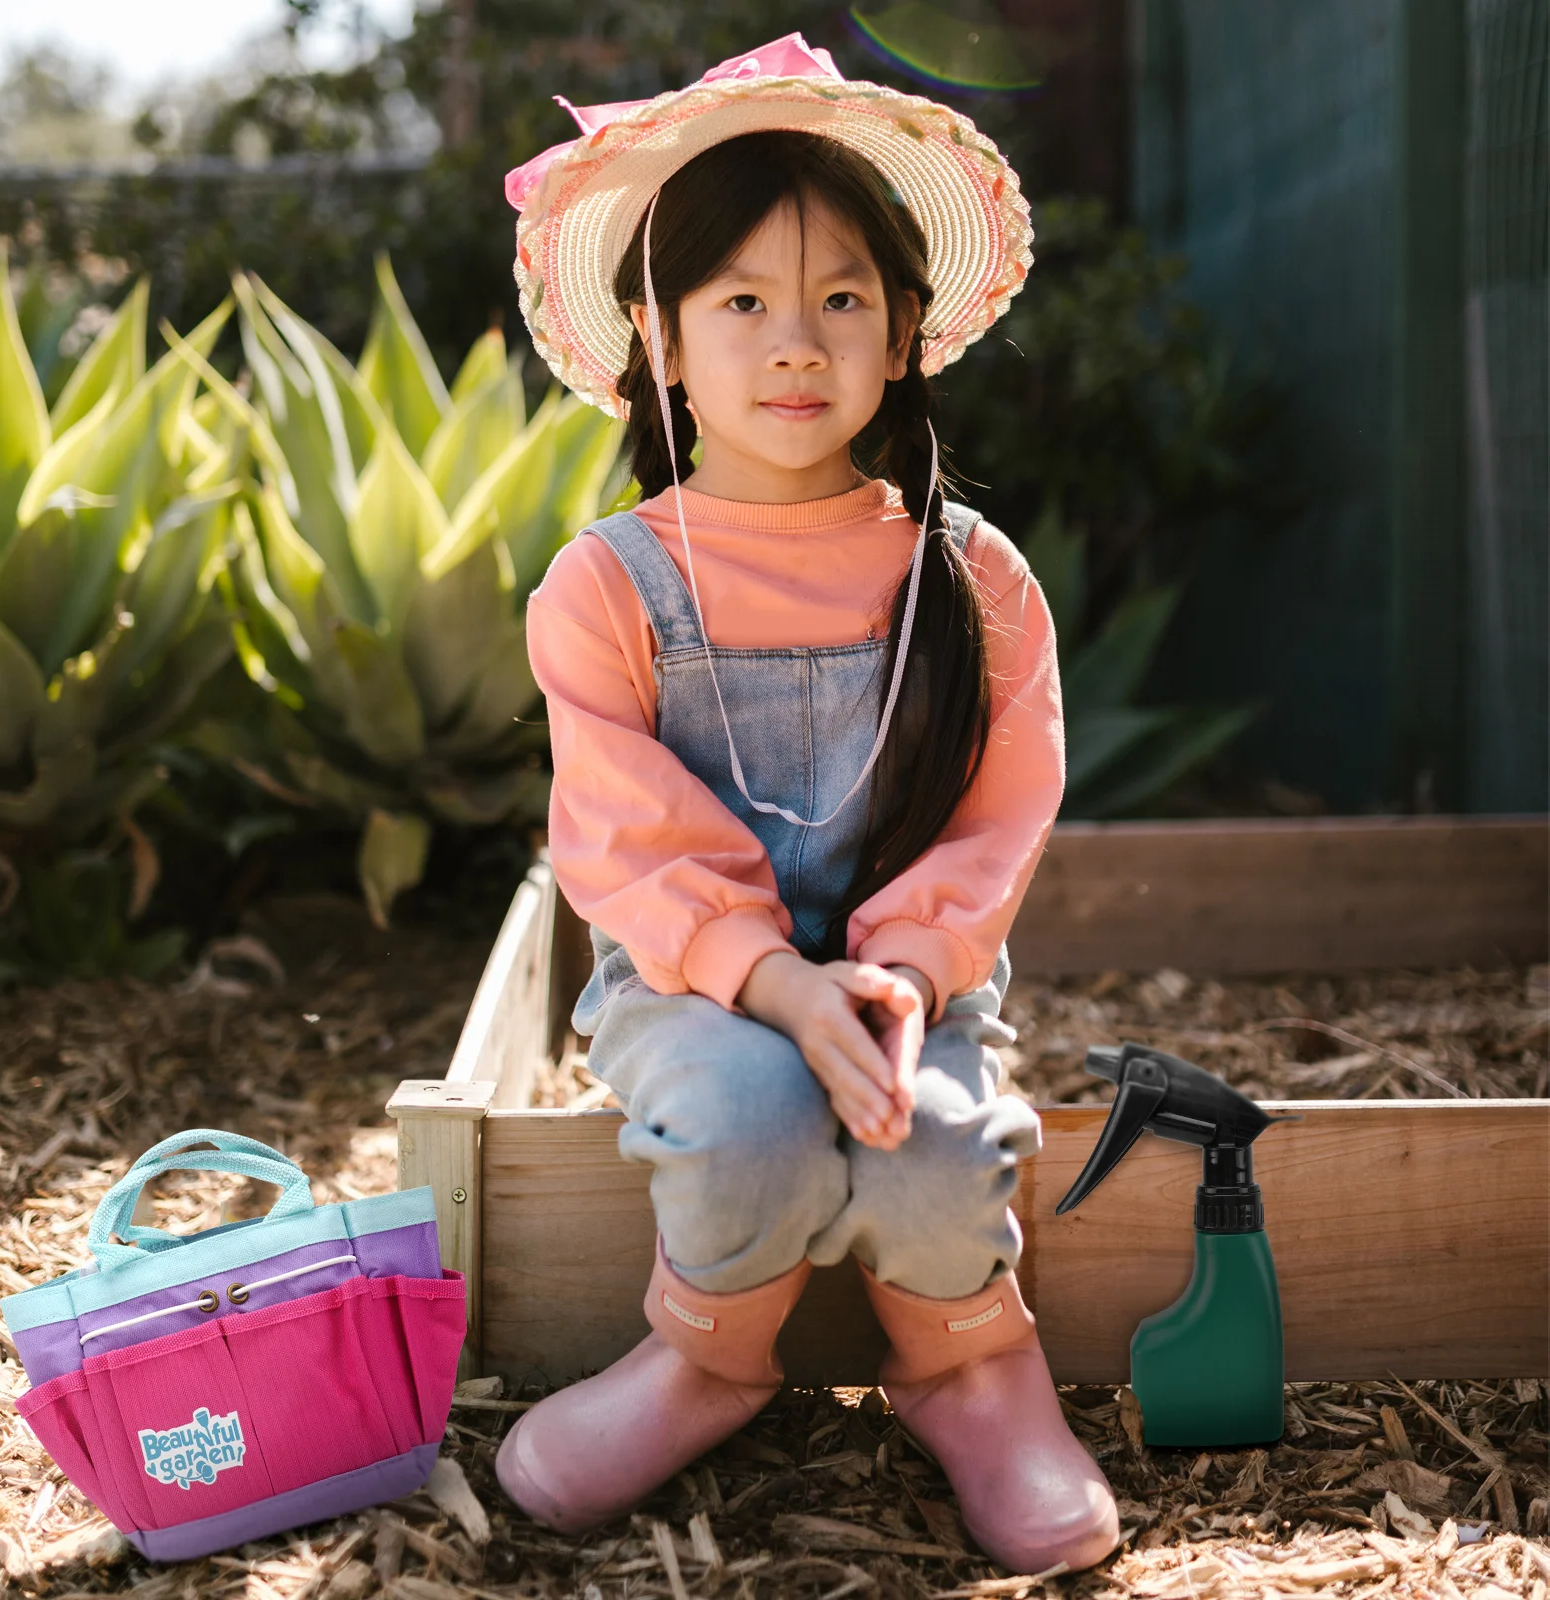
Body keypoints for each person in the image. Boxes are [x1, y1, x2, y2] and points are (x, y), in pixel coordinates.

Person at [496, 33, 1120, 1576]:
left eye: (842, 299)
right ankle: (707, 1359)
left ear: (906, 331)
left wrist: (902, 975)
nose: (797, 345)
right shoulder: (609, 586)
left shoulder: (968, 580)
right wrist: (772, 982)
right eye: (742, 304)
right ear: (659, 336)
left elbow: (999, 814)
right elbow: (623, 842)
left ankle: (970, 1366)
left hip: (916, 976)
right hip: (695, 983)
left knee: (932, 1137)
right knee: (753, 1113)